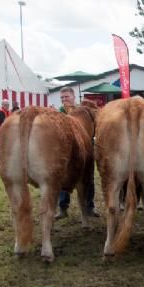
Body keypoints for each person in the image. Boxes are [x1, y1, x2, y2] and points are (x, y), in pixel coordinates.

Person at [55, 86, 99, 219]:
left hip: (86, 148)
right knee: (63, 178)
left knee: (88, 178)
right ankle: (63, 208)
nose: (64, 100)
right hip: (66, 150)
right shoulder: (59, 112)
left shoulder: (83, 111)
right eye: (62, 97)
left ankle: (89, 206)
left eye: (66, 96)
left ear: (73, 97)